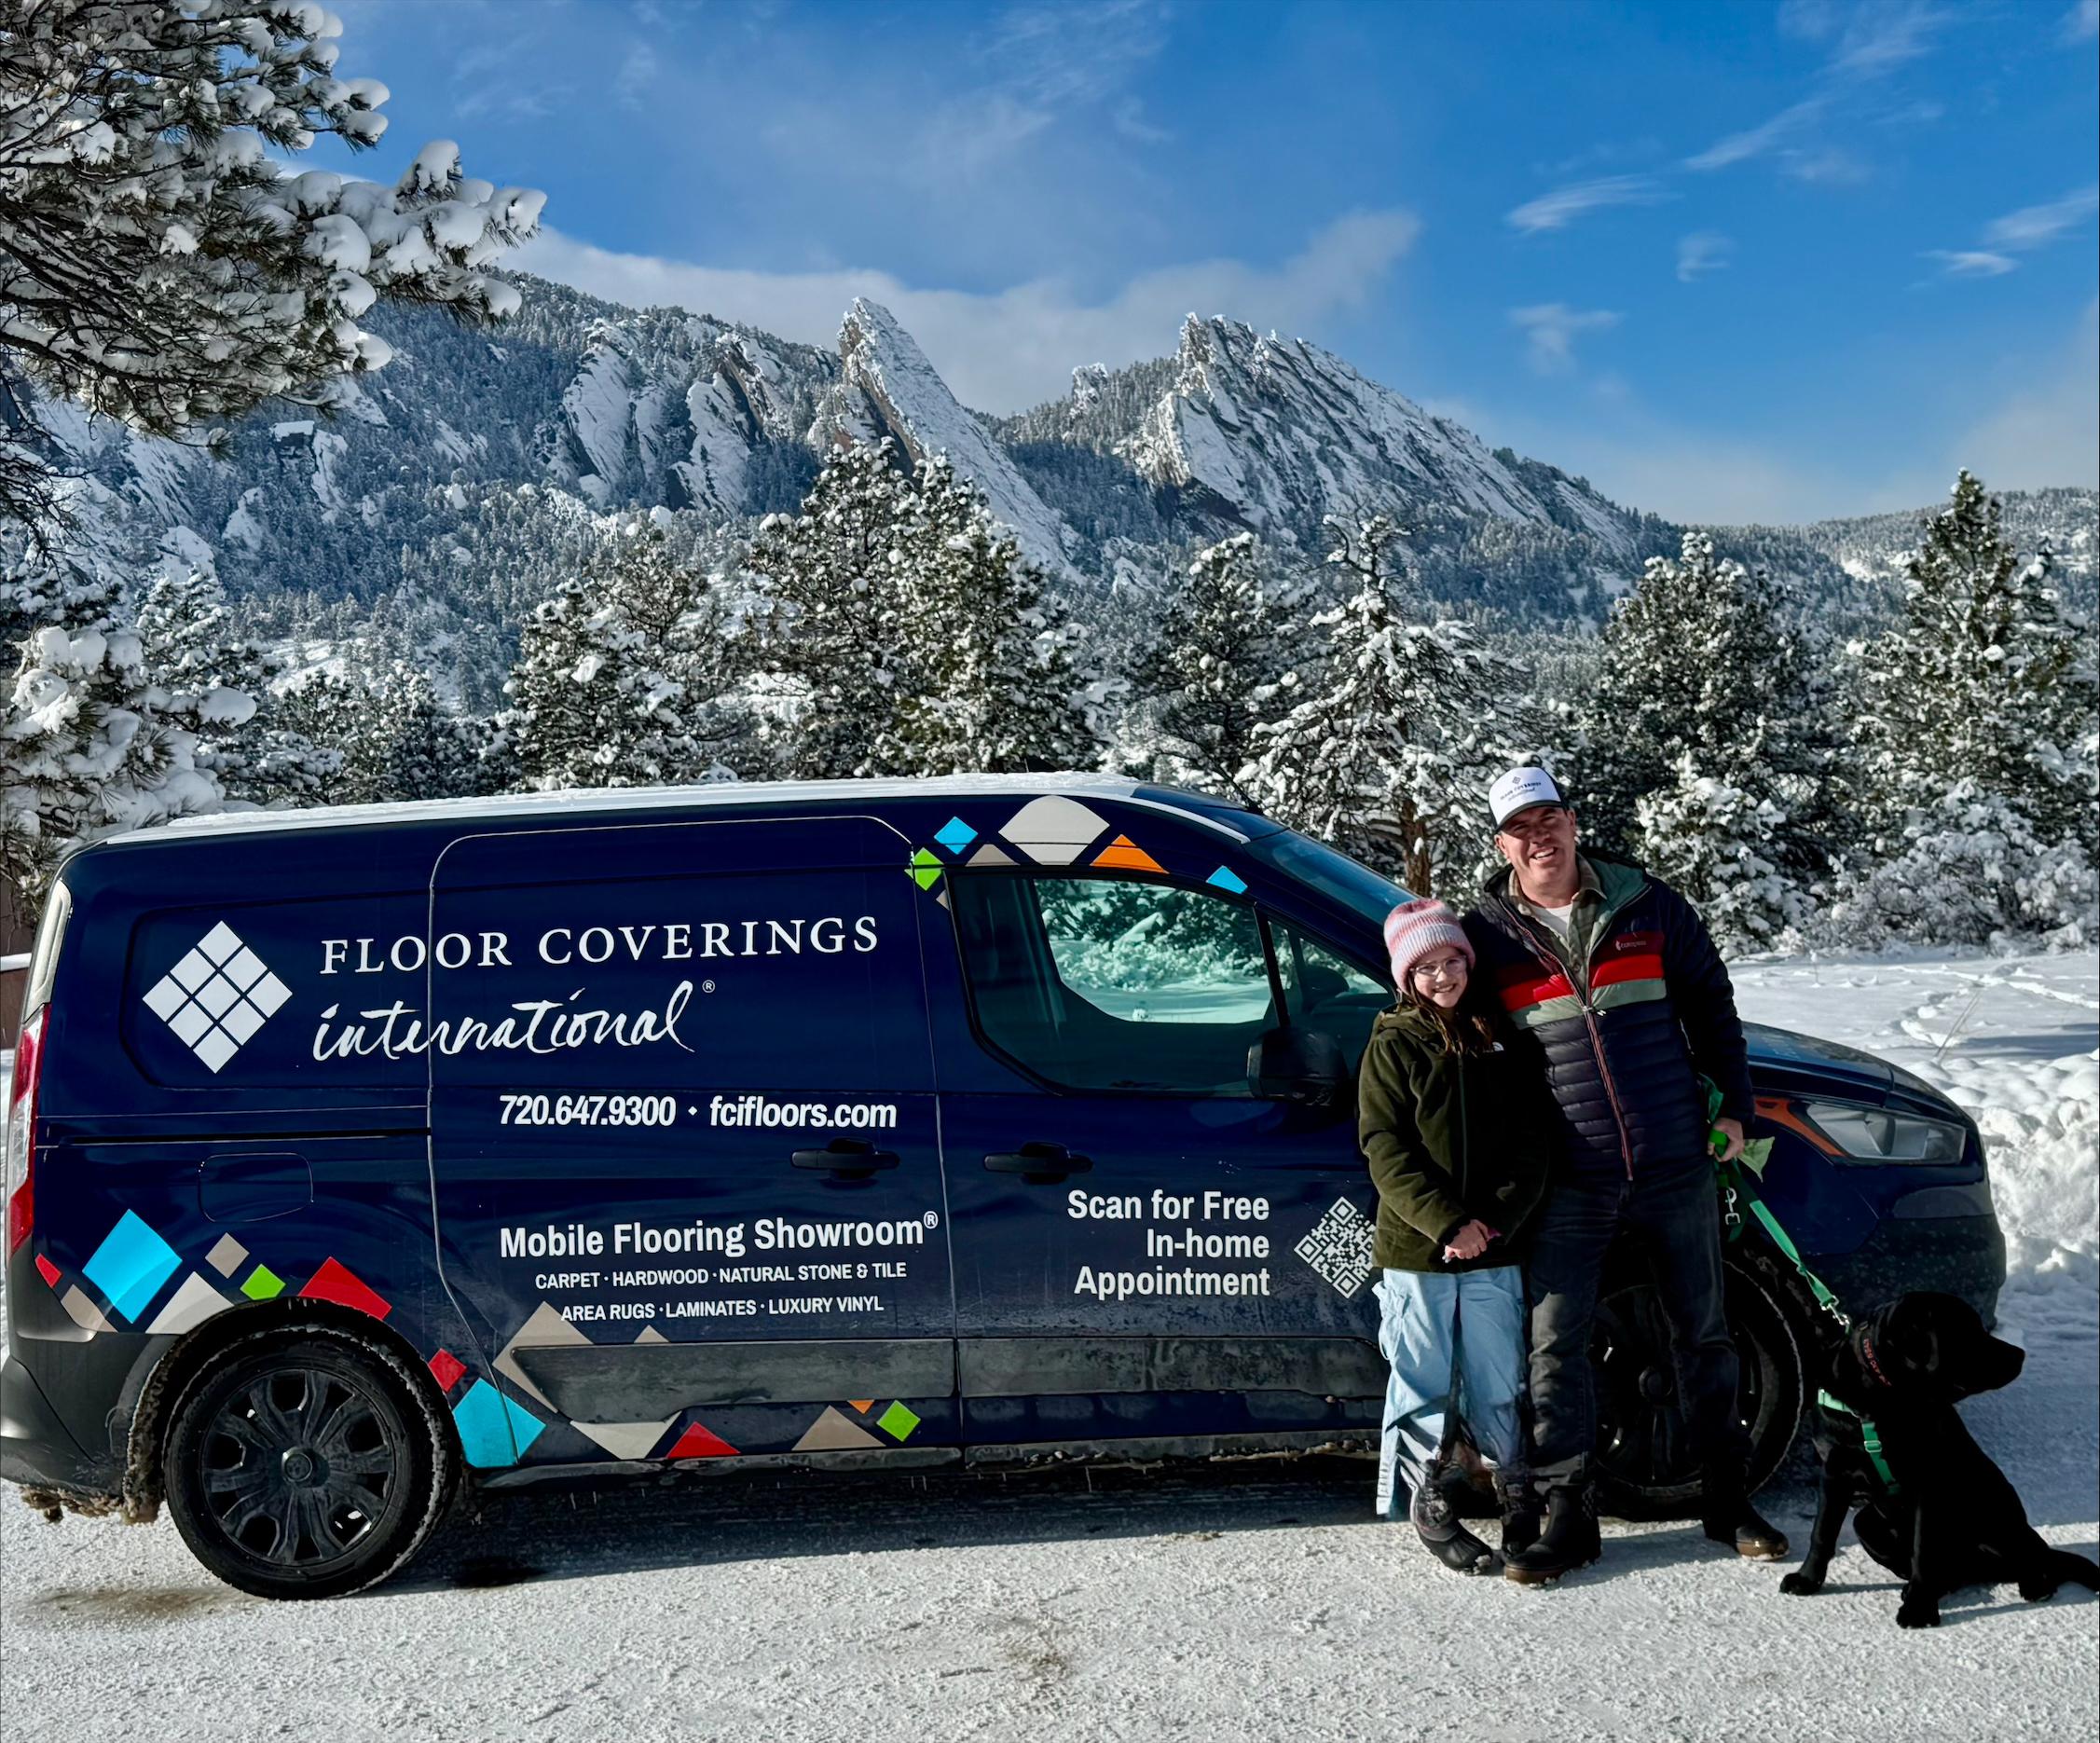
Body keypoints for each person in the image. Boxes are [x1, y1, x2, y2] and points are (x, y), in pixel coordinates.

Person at [1463, 765, 1789, 1585]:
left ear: (1573, 824)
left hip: (1674, 1160)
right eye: (1519, 828)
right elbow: (1457, 1039)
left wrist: (1733, 1112)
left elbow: (1713, 1010)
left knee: (1703, 1335)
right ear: (1501, 844)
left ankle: (1726, 1497)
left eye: (1548, 820)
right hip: (1569, 1177)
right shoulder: (1488, 933)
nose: (1538, 839)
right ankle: (1569, 1518)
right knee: (1554, 1346)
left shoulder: (1649, 907)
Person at [1360, 897, 1552, 1575]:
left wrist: (1493, 1221)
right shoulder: (1392, 1041)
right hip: (1420, 1251)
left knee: (1498, 1377)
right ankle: (1426, 1496)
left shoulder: (1499, 1034)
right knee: (1422, 1379)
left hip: (1494, 1245)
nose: (1443, 977)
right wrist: (1445, 1222)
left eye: (1452, 962)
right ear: (1404, 976)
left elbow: (1534, 1141)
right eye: (1427, 967)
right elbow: (1384, 1148)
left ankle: (1512, 1489)